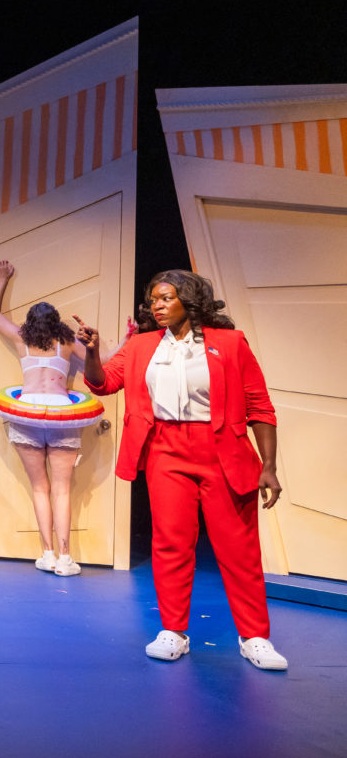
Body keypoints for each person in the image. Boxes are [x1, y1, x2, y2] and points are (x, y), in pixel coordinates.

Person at [79, 270, 288, 670]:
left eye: (165, 298)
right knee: (170, 544)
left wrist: (270, 466)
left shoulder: (230, 342)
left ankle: (255, 637)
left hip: (222, 450)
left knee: (239, 548)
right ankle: (173, 631)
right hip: (166, 450)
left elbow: (260, 406)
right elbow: (103, 383)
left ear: (189, 300)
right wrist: (92, 352)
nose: (156, 305)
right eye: (153, 299)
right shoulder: (141, 345)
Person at [0, 260, 95, 577]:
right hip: (62, 414)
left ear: (31, 322)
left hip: (28, 414)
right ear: (56, 322)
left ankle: (47, 555)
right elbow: (103, 358)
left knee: (39, 488)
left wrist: (2, 279)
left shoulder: (22, 337)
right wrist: (127, 340)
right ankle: (65, 558)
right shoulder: (67, 342)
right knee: (62, 490)